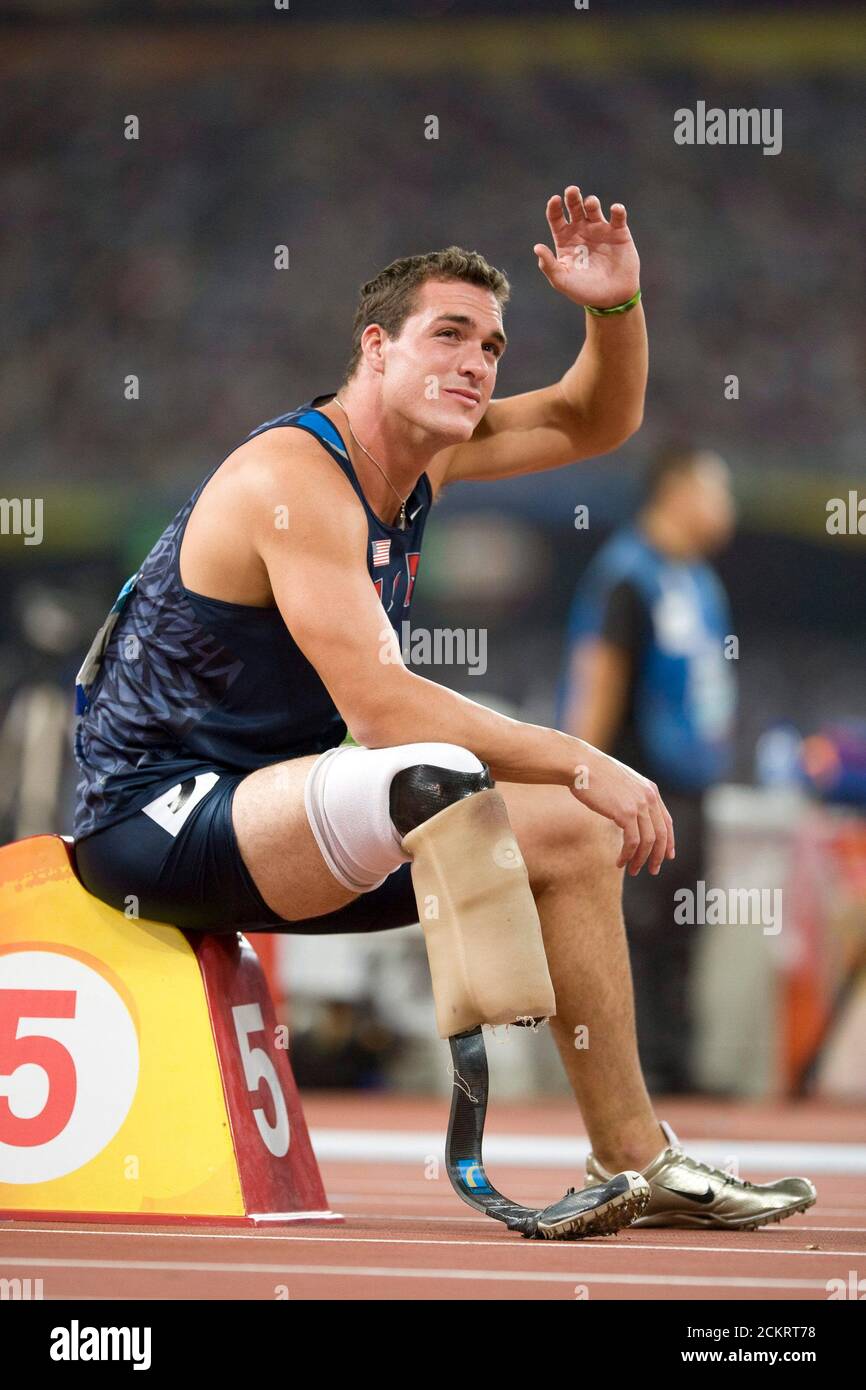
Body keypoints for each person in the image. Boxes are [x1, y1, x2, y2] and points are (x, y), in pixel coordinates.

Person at [72, 188, 814, 1230]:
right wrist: (574, 753)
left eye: (493, 346)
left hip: (272, 811)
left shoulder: (425, 462)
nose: (476, 362)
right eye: (448, 335)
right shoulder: (294, 477)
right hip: (153, 818)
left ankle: (634, 1159)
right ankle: (476, 1138)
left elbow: (592, 415)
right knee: (449, 777)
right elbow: (379, 707)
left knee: (569, 831)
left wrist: (613, 307)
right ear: (375, 348)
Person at [558, 446, 737, 1093]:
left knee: (682, 932)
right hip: (634, 788)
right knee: (635, 928)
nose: (728, 510)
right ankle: (628, 1075)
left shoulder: (695, 579)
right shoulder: (627, 575)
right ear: (677, 492)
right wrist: (577, 781)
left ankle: (676, 1064)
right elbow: (598, 677)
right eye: (718, 492)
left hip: (690, 786)